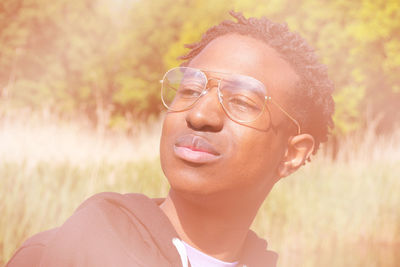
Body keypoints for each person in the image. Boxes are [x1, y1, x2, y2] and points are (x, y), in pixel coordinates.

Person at [6, 11, 334, 267]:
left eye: (241, 102)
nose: (200, 115)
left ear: (292, 154)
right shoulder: (55, 255)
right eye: (190, 89)